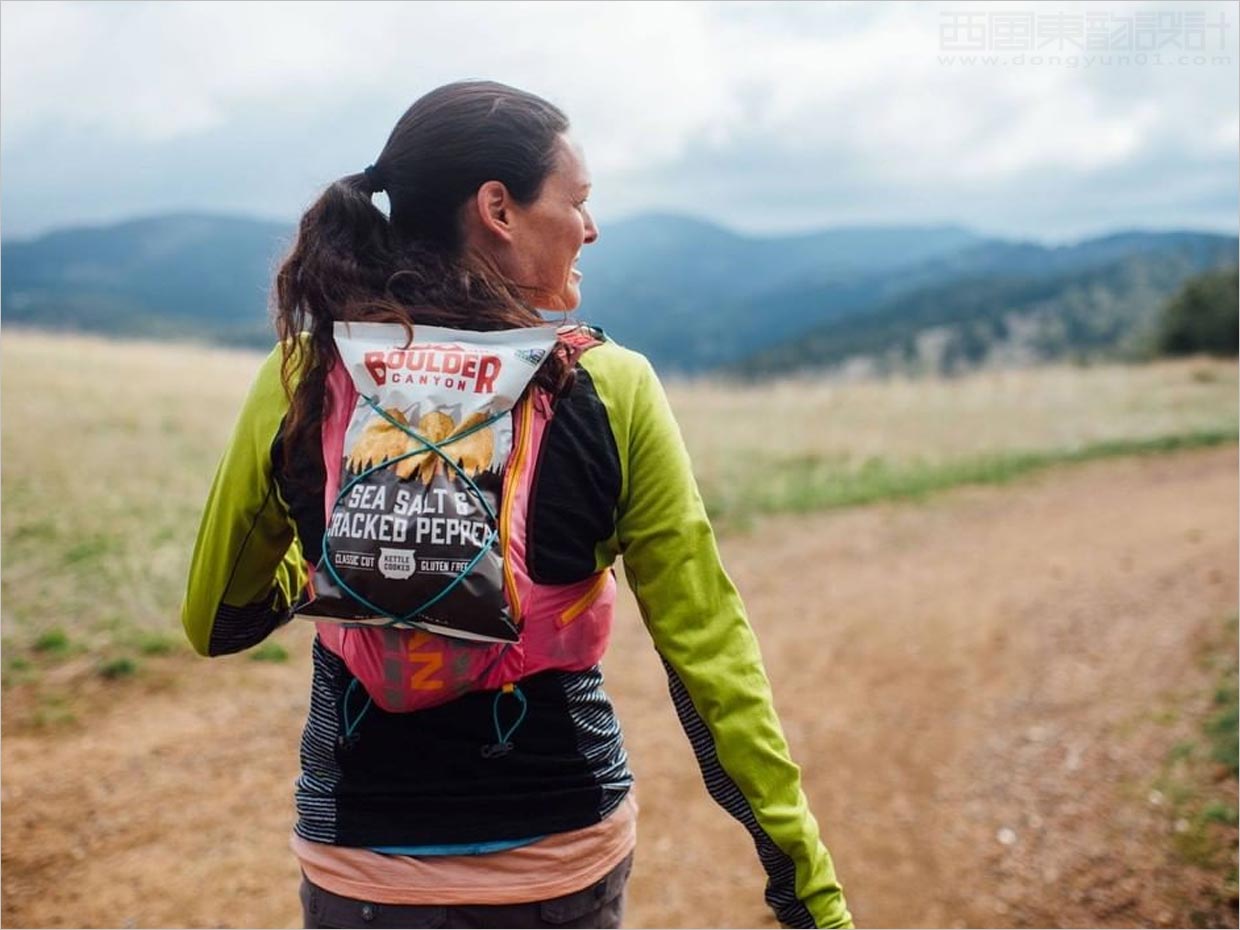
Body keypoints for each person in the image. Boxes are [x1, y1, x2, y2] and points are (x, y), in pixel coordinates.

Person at [181, 80, 852, 930]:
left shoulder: (307, 374)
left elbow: (217, 619)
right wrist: (809, 891)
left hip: (360, 859)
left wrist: (342, 555)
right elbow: (707, 654)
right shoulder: (609, 383)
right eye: (578, 202)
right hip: (558, 850)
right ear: (498, 207)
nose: (591, 228)